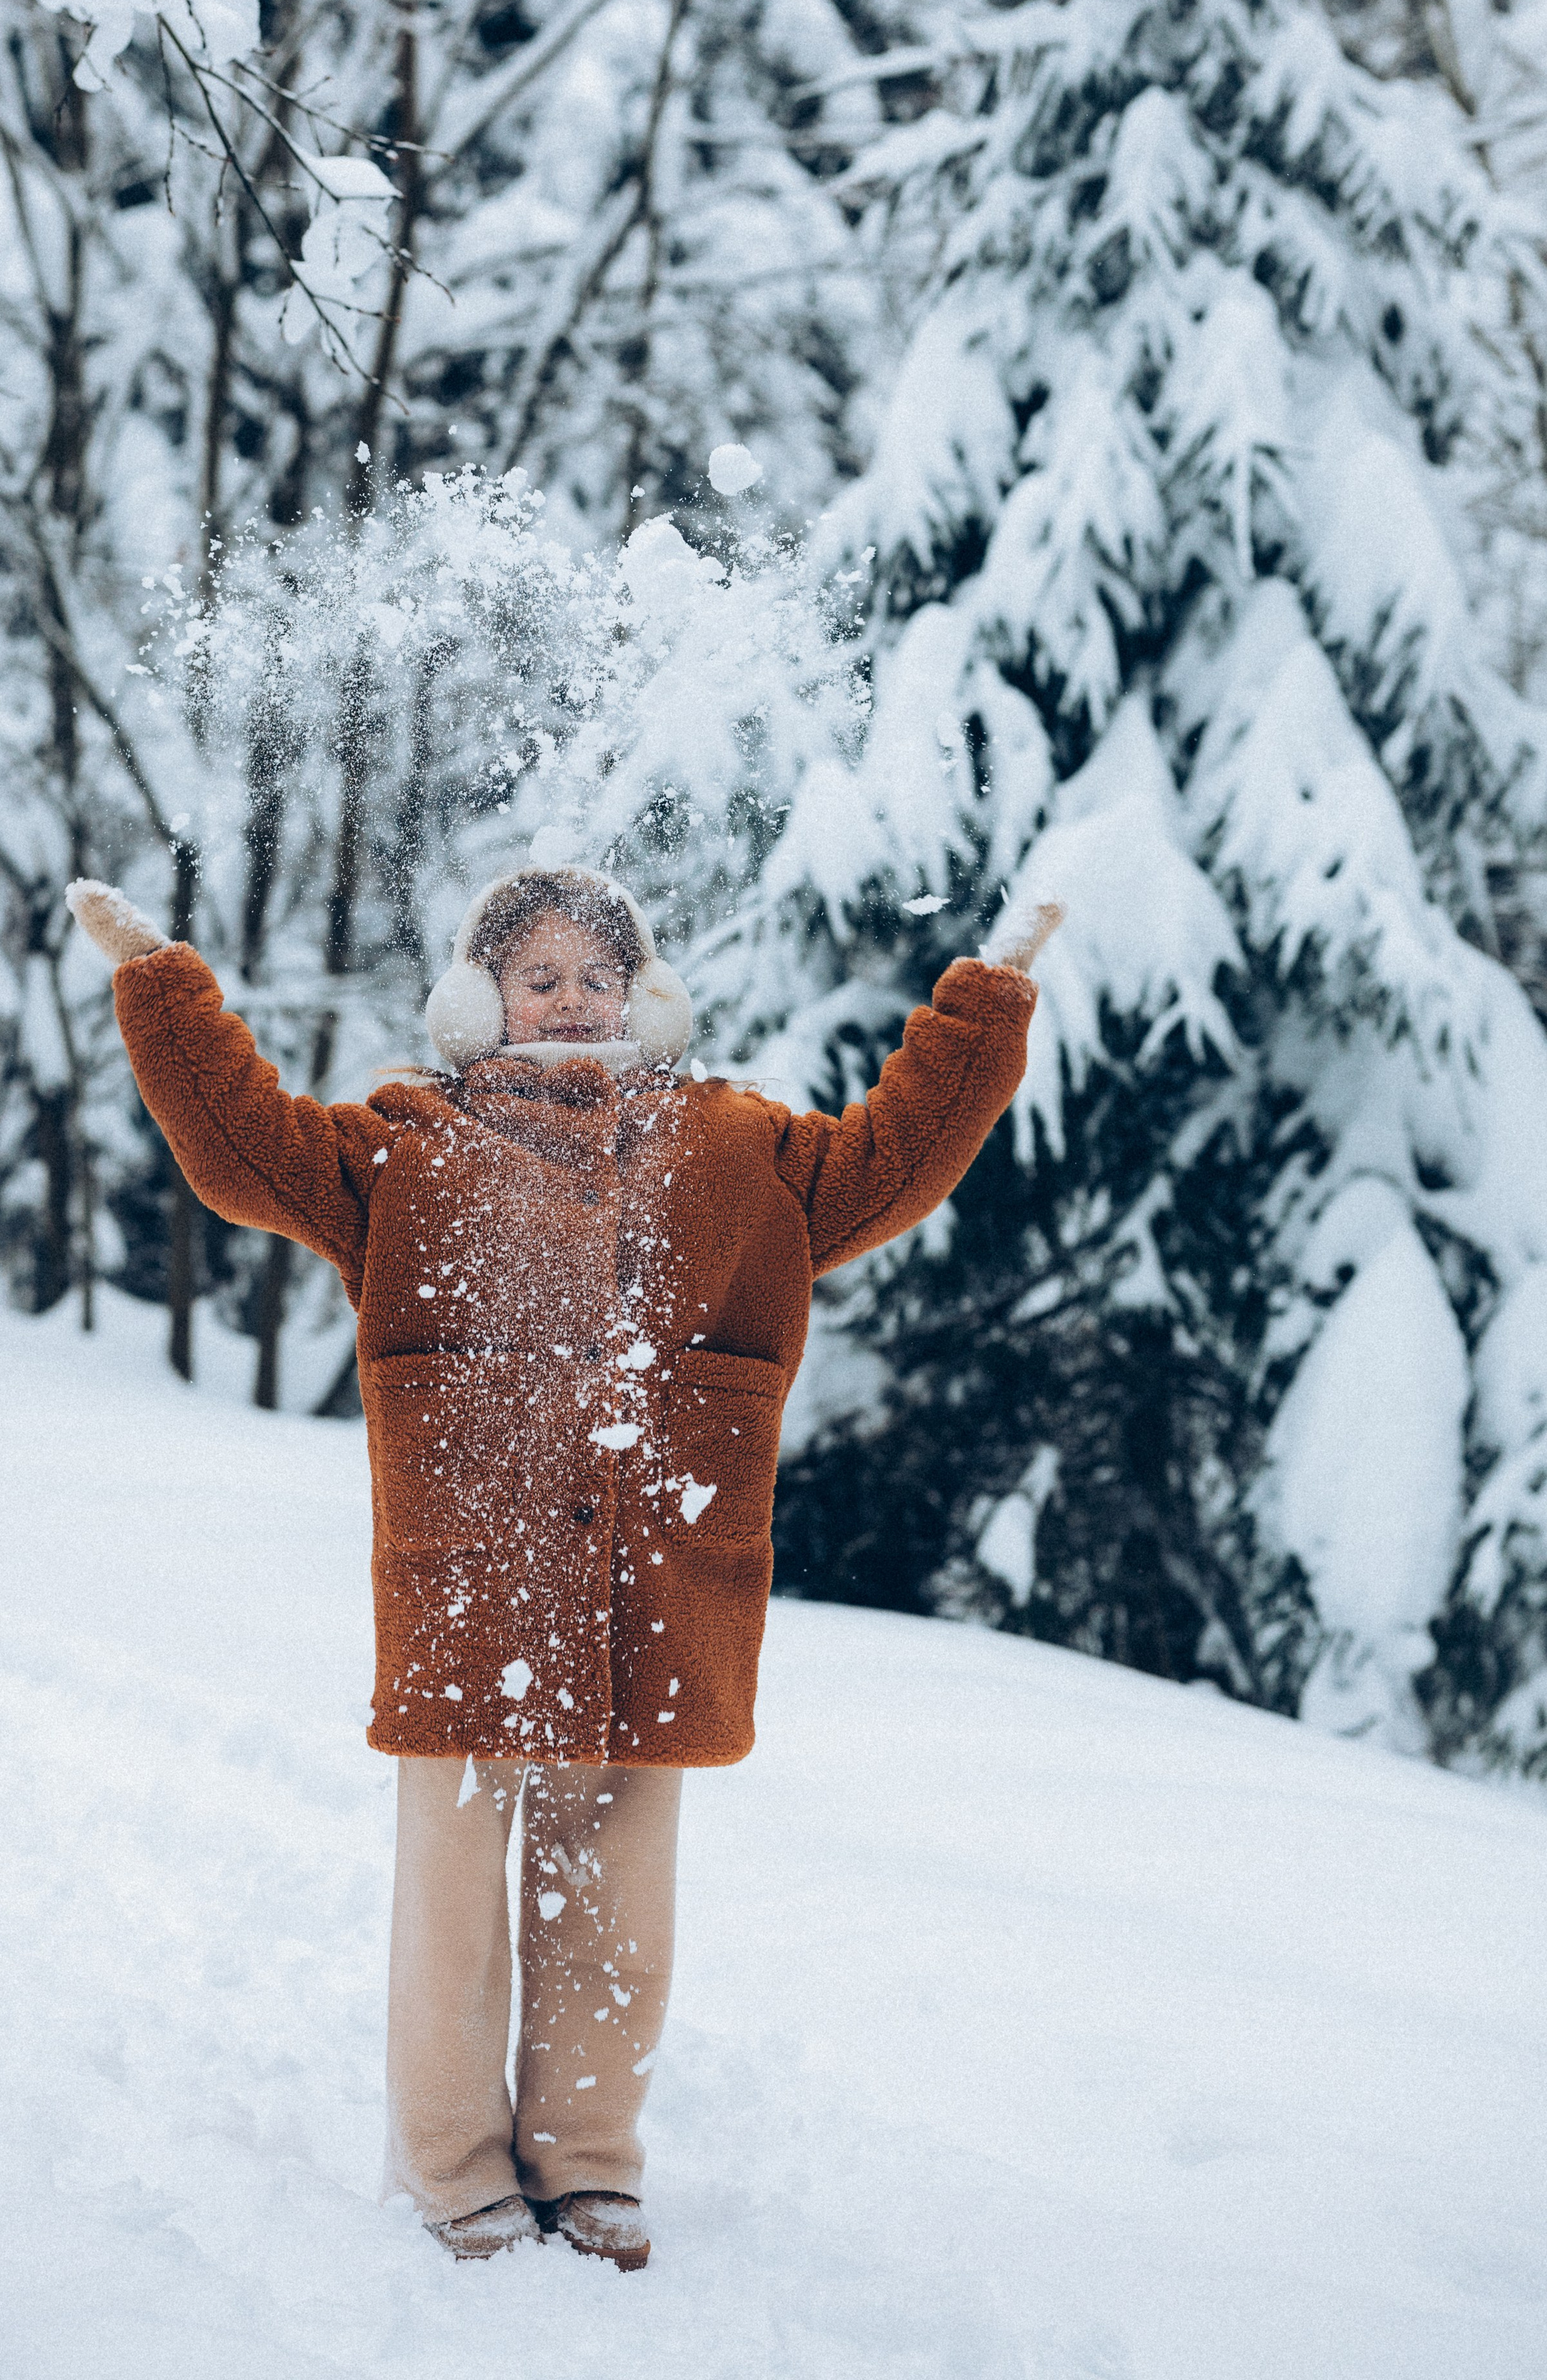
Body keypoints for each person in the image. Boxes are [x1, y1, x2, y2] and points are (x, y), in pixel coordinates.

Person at [65, 864, 1055, 2268]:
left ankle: (589, 2163)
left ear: (644, 997)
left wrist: (985, 992)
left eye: (599, 976)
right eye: (536, 976)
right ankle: (457, 2168)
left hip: (658, 1591)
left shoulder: (739, 1149)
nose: (570, 1002)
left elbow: (901, 1151)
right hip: (472, 1593)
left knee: (615, 1913)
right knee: (454, 1918)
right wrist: (163, 982)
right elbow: (244, 1150)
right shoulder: (411, 1146)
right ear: (476, 999)